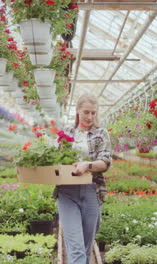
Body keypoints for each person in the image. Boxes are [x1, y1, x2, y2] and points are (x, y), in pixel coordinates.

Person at [52, 93, 112, 264]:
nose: (90, 117)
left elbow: (105, 162)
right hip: (67, 192)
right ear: (77, 111)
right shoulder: (66, 133)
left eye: (94, 113)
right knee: (76, 249)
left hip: (92, 192)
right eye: (86, 112)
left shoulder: (101, 134)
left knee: (85, 248)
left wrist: (87, 165)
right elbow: (55, 159)